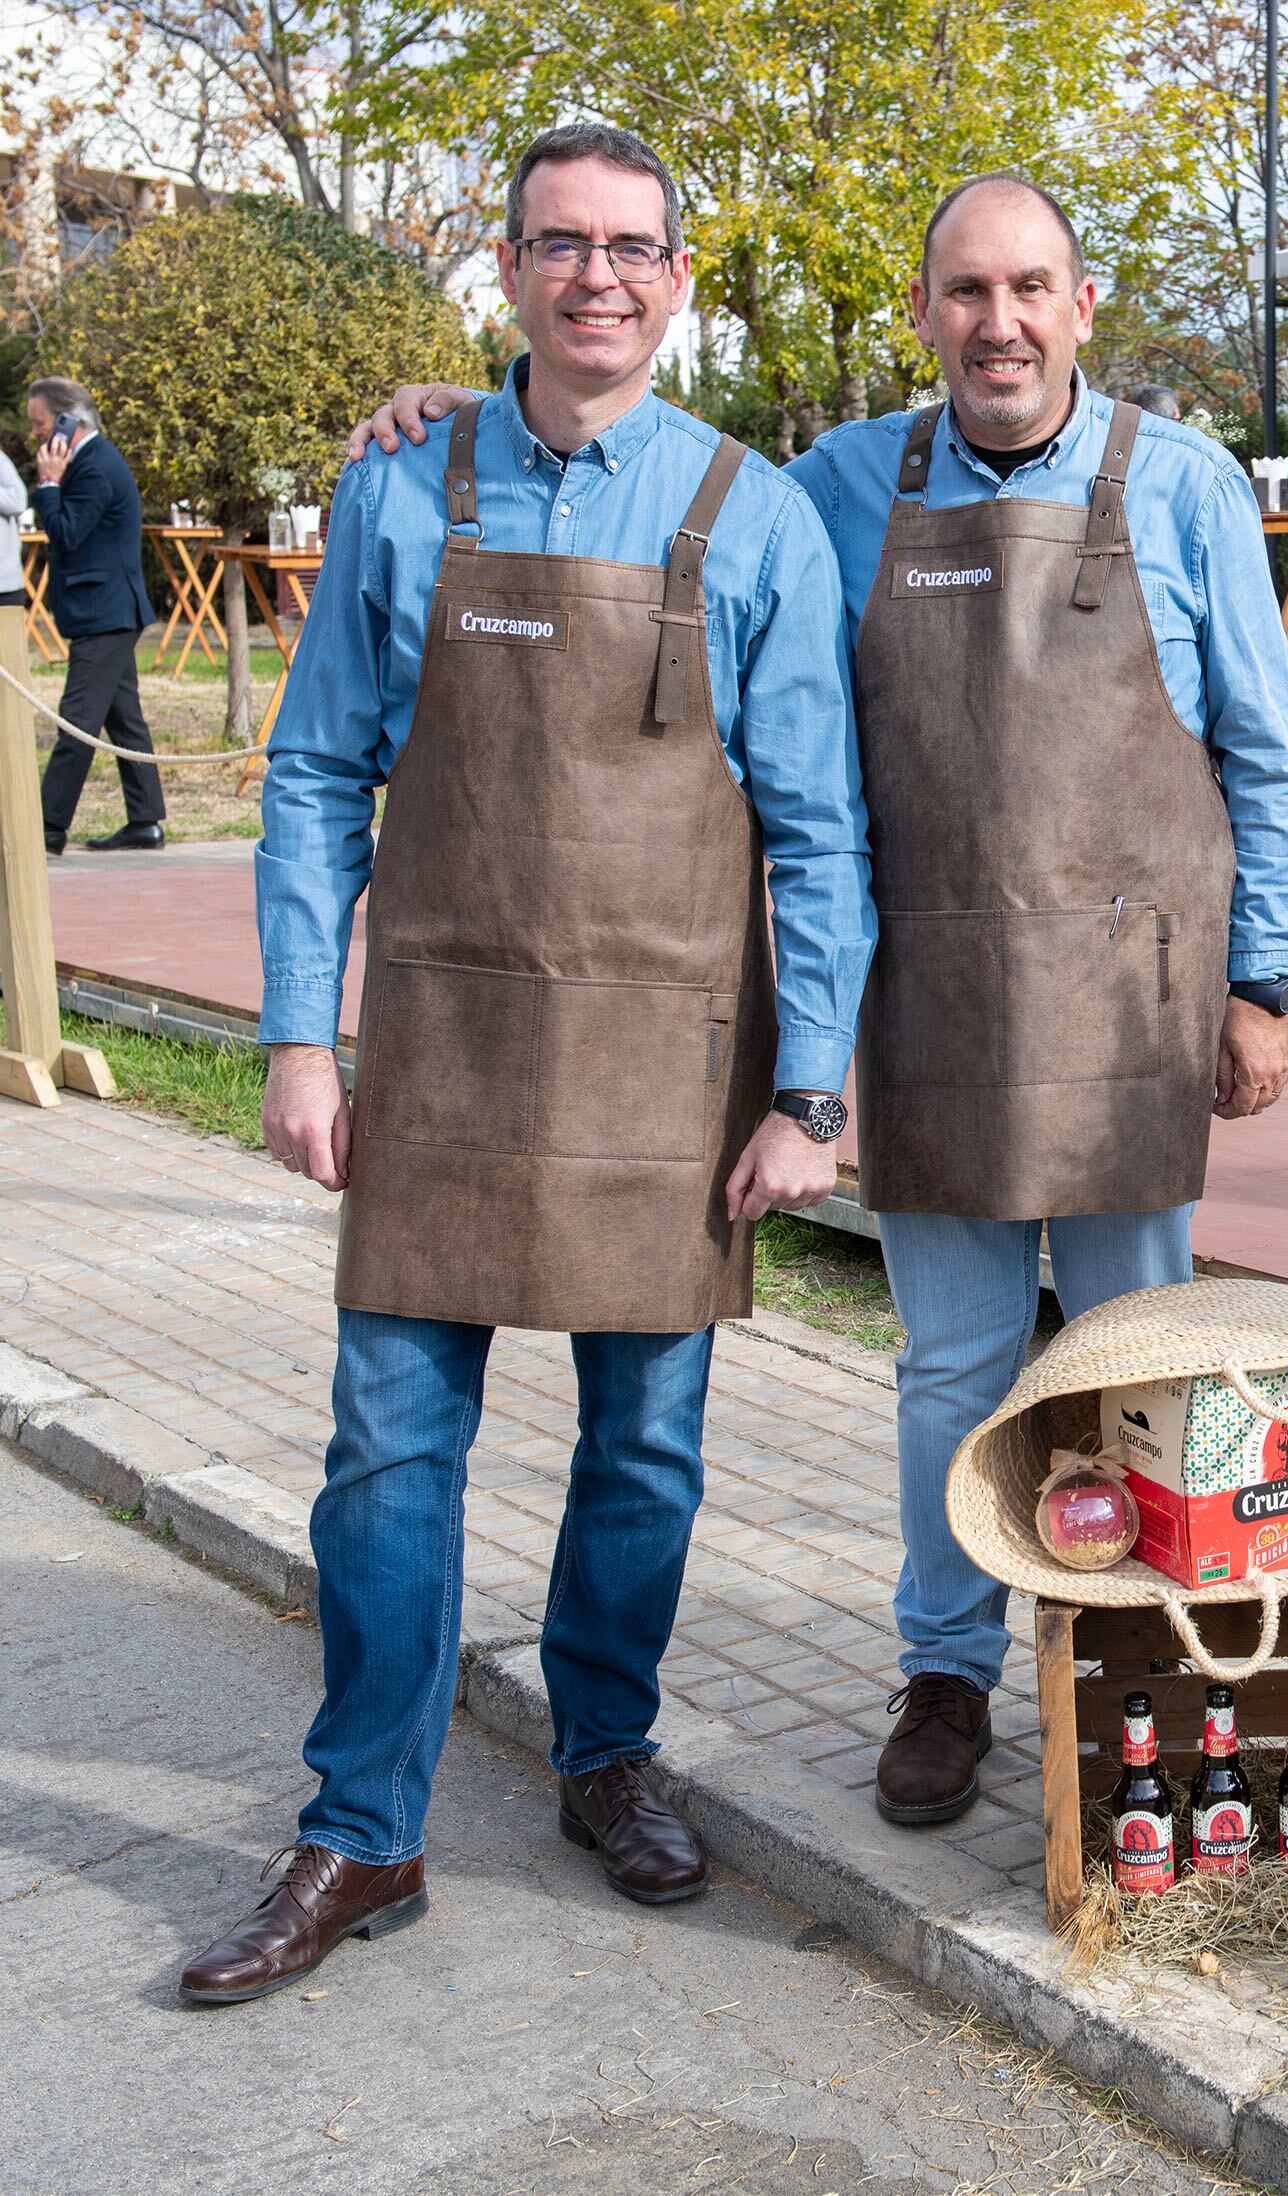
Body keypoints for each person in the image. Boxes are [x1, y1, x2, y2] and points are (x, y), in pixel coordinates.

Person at [348, 173, 1288, 1832]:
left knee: (1142, 1352)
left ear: (1082, 304)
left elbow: (1267, 756)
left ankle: (1154, 1655)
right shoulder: (839, 487)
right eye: (964, 293)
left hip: (1133, 1002)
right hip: (928, 993)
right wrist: (448, 413)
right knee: (949, 1364)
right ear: (926, 313)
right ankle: (946, 1667)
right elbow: (646, 474)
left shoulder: (1193, 487)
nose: (996, 323)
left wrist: (1265, 980)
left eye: (1028, 288)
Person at [186, 123, 875, 2009]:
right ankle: (362, 1826)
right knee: (388, 1454)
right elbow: (321, 775)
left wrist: (811, 1093)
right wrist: (297, 1038)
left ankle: (604, 1754)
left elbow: (817, 835)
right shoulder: (411, 485)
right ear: (507, 269)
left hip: (674, 1078)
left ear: (677, 279)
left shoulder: (759, 517)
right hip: (444, 1060)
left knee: (644, 1453)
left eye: (633, 247)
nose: (598, 277)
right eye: (561, 244)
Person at [25, 377, 165, 854]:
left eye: (40, 425)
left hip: (104, 614)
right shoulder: (89, 464)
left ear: (69, 422)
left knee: (76, 722)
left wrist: (47, 484)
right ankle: (146, 821)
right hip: (107, 610)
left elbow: (66, 533)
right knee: (125, 721)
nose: (36, 437)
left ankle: (46, 827)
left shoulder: (93, 469)